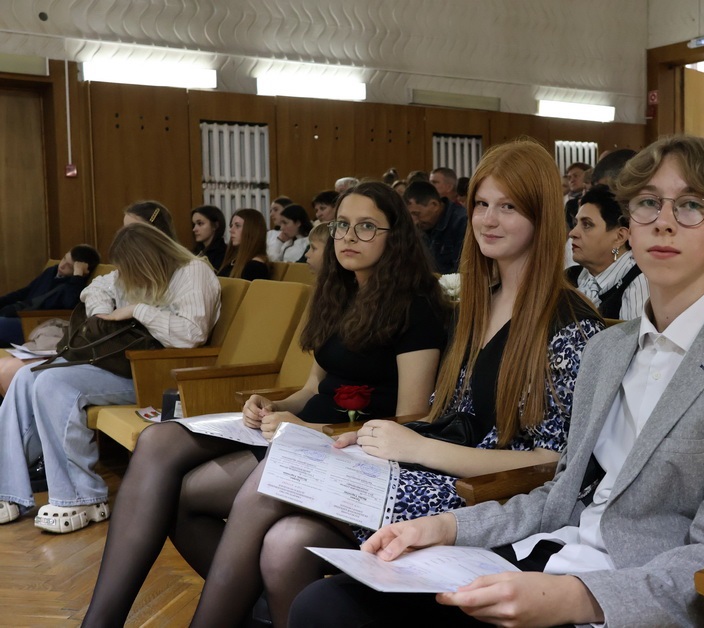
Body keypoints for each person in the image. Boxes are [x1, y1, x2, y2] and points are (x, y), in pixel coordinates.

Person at [289, 134, 704, 628]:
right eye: (649, 204)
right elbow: (560, 493)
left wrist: (579, 597)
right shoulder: (609, 349)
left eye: (691, 206)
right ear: (629, 225)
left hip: (625, 596)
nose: (665, 223)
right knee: (326, 603)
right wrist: (448, 527)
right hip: (545, 555)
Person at [185, 140, 605, 627]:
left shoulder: (572, 326)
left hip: (479, 496)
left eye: (509, 207)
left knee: (273, 477)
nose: (489, 220)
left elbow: (555, 465)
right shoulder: (477, 306)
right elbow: (445, 418)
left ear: (541, 217)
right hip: (435, 471)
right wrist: (377, 438)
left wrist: (419, 447)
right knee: (284, 540)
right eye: (483, 205)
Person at [82, 181, 451, 627]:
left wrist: (314, 431)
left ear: (397, 237)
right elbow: (314, 388)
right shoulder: (338, 293)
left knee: (180, 493)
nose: (349, 237)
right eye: (342, 226)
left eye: (367, 227)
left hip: (355, 454)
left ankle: (233, 608)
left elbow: (411, 418)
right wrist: (270, 404)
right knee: (159, 442)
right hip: (298, 435)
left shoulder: (417, 308)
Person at [0, 223, 221, 531]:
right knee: (27, 377)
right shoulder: (129, 275)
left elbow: (192, 334)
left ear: (147, 260)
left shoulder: (193, 272)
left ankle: (82, 496)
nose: (124, 275)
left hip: (156, 373)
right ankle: (8, 491)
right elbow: (96, 287)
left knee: (53, 383)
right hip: (118, 364)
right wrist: (104, 314)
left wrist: (136, 310)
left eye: (130, 267)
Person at [567, 185, 648, 320]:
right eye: (575, 224)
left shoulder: (638, 282)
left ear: (620, 237)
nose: (573, 233)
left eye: (587, 225)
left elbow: (631, 341)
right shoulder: (571, 277)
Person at [0, 245, 101, 346]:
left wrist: (78, 276)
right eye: (64, 259)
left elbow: (70, 304)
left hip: (36, 324)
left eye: (69, 266)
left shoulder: (76, 287)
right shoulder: (51, 271)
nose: (61, 266)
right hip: (19, 315)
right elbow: (26, 291)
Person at [404, 180, 468, 274]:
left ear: (434, 205)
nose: (415, 221)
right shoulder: (418, 227)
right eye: (411, 215)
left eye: (417, 214)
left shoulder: (462, 222)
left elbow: (463, 272)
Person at [217, 209, 270, 281]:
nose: (231, 230)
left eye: (237, 226)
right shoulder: (233, 259)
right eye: (231, 225)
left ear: (252, 230)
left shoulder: (255, 266)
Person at [190, 205, 227, 271]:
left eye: (200, 223)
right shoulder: (195, 252)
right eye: (194, 224)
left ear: (215, 225)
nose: (194, 229)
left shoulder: (224, 254)